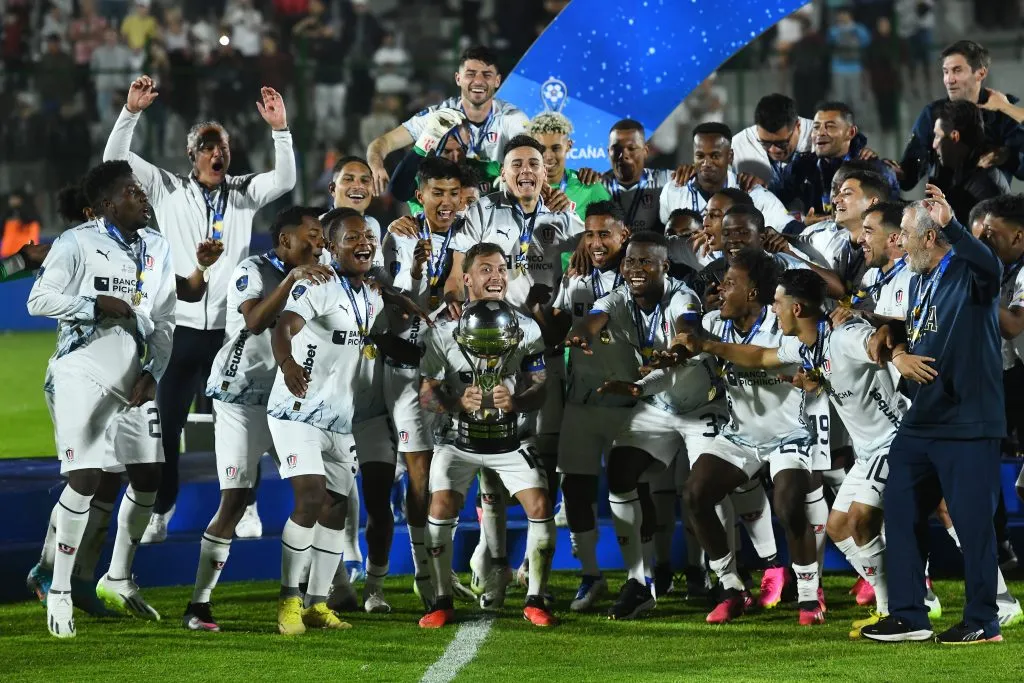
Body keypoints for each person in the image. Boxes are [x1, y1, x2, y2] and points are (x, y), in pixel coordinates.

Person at [102, 75, 296, 542]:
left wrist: (281, 131)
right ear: (192, 156)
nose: (216, 153)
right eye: (207, 146)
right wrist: (130, 114)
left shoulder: (244, 192)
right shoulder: (166, 187)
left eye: (222, 146)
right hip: (179, 329)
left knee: (243, 425)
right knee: (166, 427)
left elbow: (286, 179)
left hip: (233, 333)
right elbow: (114, 161)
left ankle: (245, 509)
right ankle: (160, 511)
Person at [27, 160, 176, 638]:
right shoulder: (77, 243)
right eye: (133, 192)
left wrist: (154, 371)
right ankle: (60, 590)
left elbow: (166, 319)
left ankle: (111, 578)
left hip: (134, 378)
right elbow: (38, 299)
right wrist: (94, 305)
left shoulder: (158, 248)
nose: (143, 197)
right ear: (109, 205)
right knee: (88, 477)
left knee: (148, 478)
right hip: (80, 372)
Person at [862, 187, 1006, 644]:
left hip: (968, 423)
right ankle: (909, 616)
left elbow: (991, 265)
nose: (898, 244)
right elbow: (914, 327)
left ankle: (983, 620)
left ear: (929, 238)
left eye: (904, 235)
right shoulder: (919, 276)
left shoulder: (969, 272)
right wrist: (898, 349)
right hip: (921, 421)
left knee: (973, 525)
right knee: (900, 510)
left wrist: (953, 224)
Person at [267, 207, 419, 635]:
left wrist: (400, 310)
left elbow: (372, 335)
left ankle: (317, 604)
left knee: (336, 508)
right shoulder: (317, 284)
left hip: (340, 417)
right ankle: (288, 601)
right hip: (296, 409)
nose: (364, 243)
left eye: (367, 237)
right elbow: (283, 326)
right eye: (351, 239)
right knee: (311, 497)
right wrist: (287, 363)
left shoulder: (369, 294)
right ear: (330, 247)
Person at [182, 207, 334, 632]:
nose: (318, 244)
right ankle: (199, 604)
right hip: (240, 400)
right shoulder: (252, 269)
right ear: (285, 240)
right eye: (312, 236)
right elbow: (255, 321)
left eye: (322, 237)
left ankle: (314, 598)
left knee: (315, 493)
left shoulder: (320, 273)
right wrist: (292, 279)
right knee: (234, 500)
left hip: (289, 402)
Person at [568, 232, 725, 619]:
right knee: (621, 469)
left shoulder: (681, 296)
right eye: (630, 263)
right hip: (658, 400)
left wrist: (680, 345)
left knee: (707, 490)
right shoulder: (620, 296)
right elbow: (595, 317)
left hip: (702, 405)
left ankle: (725, 579)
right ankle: (640, 582)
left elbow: (688, 326)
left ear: (664, 267)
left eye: (645, 262)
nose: (635, 269)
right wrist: (581, 334)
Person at [671, 256, 827, 626]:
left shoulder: (782, 322)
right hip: (741, 433)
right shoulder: (712, 323)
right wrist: (674, 354)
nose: (719, 290)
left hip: (790, 432)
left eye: (729, 283)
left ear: (752, 292)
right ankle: (731, 588)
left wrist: (708, 346)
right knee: (695, 492)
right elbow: (687, 347)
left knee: (788, 503)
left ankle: (808, 595)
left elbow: (757, 357)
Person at [418, 242, 556, 629]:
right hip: (457, 440)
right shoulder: (442, 330)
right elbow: (427, 393)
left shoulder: (526, 327)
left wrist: (517, 401)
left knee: (541, 506)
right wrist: (458, 402)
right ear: (466, 278)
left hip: (510, 439)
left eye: (501, 269)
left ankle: (535, 599)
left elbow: (541, 386)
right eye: (485, 269)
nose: (496, 276)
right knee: (441, 505)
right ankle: (441, 600)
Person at [535, 201, 634, 611]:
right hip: (581, 397)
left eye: (604, 234)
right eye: (589, 234)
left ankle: (638, 577)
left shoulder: (638, 276)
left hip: (628, 402)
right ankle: (590, 574)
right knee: (575, 489)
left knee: (628, 490)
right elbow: (557, 332)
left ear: (623, 235)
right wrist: (545, 310)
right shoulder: (575, 281)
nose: (595, 242)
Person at [381, 157, 467, 609]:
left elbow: (459, 289)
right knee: (419, 472)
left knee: (441, 469)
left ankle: (442, 565)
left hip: (449, 365)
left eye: (454, 193)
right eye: (438, 193)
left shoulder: (467, 233)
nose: (447, 202)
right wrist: (416, 273)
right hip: (407, 368)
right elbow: (396, 306)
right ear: (421, 195)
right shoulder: (398, 235)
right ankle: (424, 573)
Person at [367, 45, 529, 194]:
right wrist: (376, 166)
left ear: (497, 81)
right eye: (470, 74)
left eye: (486, 75)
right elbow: (383, 143)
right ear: (458, 78)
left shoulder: (511, 117)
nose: (478, 81)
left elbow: (531, 156)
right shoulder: (438, 117)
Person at [894, 40, 1024, 191]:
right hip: (941, 208)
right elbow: (909, 175)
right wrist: (891, 171)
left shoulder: (1002, 114)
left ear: (981, 73)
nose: (949, 80)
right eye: (946, 71)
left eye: (957, 70)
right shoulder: (932, 114)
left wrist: (1007, 156)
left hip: (989, 209)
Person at [660, 122, 799, 235]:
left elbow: (790, 228)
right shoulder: (673, 192)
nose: (707, 163)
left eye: (715, 156)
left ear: (730, 156)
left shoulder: (752, 192)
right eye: (700, 156)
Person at [772, 102, 897, 216]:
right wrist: (802, 224)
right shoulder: (801, 166)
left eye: (830, 127)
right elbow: (773, 204)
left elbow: (889, 219)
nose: (820, 133)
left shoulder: (875, 170)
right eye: (816, 127)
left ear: (851, 132)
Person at [929, 100, 1010, 222]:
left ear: (954, 136)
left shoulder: (985, 185)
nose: (934, 145)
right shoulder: (949, 174)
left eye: (937, 136)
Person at [527, 112, 611, 221]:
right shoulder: (518, 188)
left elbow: (613, 228)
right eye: (541, 148)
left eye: (556, 148)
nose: (548, 156)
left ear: (568, 146)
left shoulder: (588, 186)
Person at [731, 93, 814, 187]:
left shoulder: (819, 139)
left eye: (781, 143)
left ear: (798, 126)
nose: (773, 150)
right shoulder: (740, 146)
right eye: (765, 143)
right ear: (757, 129)